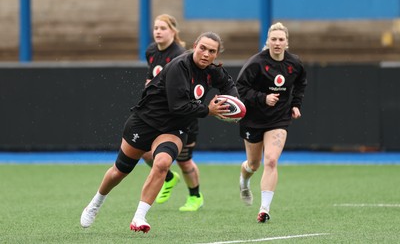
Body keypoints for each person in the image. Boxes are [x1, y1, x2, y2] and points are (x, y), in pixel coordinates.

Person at [80, 31, 239, 233]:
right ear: (195, 45)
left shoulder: (212, 70)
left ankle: (139, 218)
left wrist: (234, 104)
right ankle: (95, 203)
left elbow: (228, 84)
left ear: (216, 54)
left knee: (163, 163)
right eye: (203, 48)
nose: (206, 54)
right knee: (119, 171)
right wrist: (209, 110)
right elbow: (178, 106)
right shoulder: (178, 67)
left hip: (175, 127)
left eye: (212, 51)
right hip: (146, 121)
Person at [236, 22, 307, 223]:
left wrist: (295, 104)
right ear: (268, 41)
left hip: (279, 118)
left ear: (287, 42)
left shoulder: (295, 64)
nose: (277, 43)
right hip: (253, 118)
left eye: (281, 39)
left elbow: (301, 83)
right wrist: (262, 98)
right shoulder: (256, 63)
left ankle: (264, 209)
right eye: (273, 39)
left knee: (271, 160)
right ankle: (244, 181)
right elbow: (240, 88)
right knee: (253, 164)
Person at [142, 14, 204, 211]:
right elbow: (151, 76)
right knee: (142, 150)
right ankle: (168, 177)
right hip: (158, 115)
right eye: (155, 28)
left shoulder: (180, 55)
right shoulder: (151, 51)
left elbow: (186, 87)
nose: (158, 31)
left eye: (163, 28)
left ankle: (195, 196)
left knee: (184, 161)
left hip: (182, 116)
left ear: (173, 31)